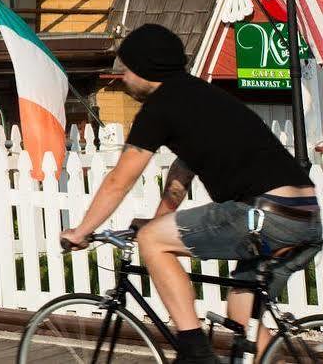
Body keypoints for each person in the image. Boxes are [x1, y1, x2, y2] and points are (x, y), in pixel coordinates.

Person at [62, 24, 322, 363]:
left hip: (265, 213)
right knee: (241, 319)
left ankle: (194, 351)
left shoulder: (160, 107)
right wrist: (158, 220)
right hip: (304, 215)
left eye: (125, 69)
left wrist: (81, 231)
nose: (122, 78)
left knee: (153, 242)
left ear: (145, 67)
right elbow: (182, 171)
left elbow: (119, 181)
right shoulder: (202, 95)